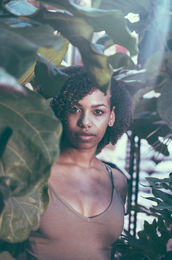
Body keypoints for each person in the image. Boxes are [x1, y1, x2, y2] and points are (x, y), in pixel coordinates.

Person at [23, 65, 133, 260]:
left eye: (98, 112)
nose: (85, 122)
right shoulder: (33, 173)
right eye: (75, 109)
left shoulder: (118, 182)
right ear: (61, 111)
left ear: (112, 116)